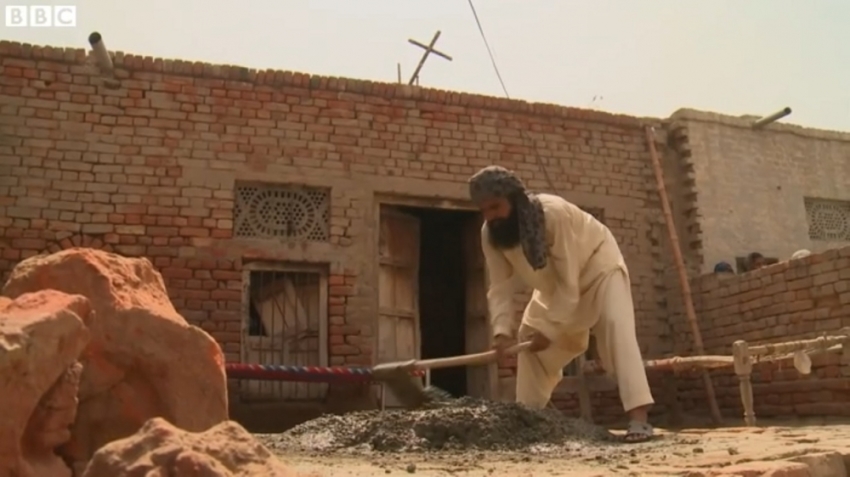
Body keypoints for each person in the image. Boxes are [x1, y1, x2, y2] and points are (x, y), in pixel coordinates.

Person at [468, 165, 655, 443]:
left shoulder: (553, 214)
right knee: (527, 342)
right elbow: (500, 287)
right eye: (484, 210)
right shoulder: (490, 234)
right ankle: (526, 419)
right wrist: (500, 333)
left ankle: (639, 418)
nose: (491, 216)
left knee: (616, 327)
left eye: (495, 207)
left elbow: (570, 281)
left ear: (515, 199)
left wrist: (551, 330)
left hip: (598, 268)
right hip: (554, 286)